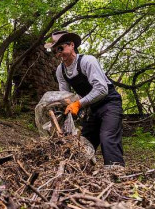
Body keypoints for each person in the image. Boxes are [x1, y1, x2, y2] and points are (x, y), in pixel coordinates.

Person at [44, 31, 125, 168]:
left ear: (71, 45)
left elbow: (101, 89)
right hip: (92, 107)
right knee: (83, 142)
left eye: (60, 48)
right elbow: (65, 95)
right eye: (54, 51)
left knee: (107, 137)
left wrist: (78, 104)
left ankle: (115, 173)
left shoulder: (88, 61)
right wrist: (63, 112)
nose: (58, 54)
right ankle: (81, 173)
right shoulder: (61, 70)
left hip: (109, 103)